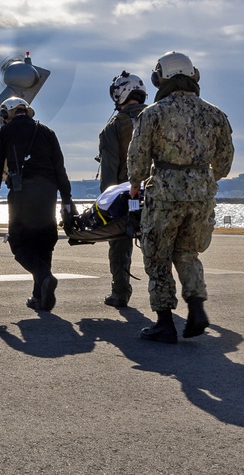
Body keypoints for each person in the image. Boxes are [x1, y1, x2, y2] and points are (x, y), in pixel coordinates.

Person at [127, 51, 234, 344]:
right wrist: (200, 178)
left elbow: (138, 156)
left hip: (164, 194)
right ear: (193, 76)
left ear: (161, 78)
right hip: (202, 195)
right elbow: (225, 162)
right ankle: (197, 308)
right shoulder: (215, 113)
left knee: (158, 255)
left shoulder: (153, 113)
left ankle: (164, 322)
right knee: (187, 252)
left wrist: (136, 183)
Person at [0, 97, 73, 311]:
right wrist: (67, 198)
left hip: (21, 192)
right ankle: (39, 297)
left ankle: (44, 277)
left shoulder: (3, 133)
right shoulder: (47, 132)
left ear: (8, 113)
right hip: (48, 192)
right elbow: (60, 168)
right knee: (44, 242)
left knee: (19, 244)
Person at [97, 71, 148, 308]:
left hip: (128, 196)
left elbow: (109, 174)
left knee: (120, 242)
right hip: (160, 193)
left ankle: (120, 292)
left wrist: (104, 206)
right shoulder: (157, 116)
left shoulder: (113, 127)